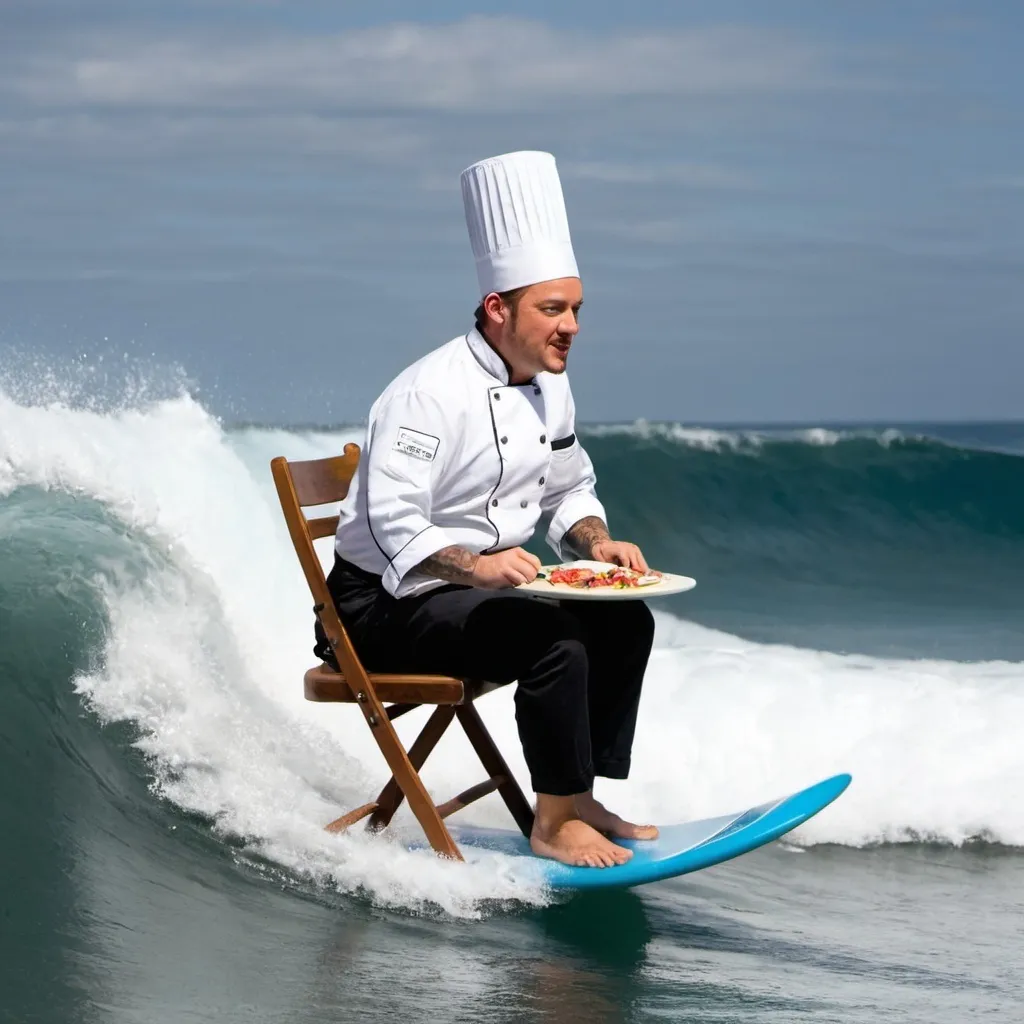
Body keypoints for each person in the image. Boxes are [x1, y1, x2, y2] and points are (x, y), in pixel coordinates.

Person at [322, 151, 658, 868]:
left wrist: (596, 542)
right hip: (384, 607)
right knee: (554, 640)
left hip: (479, 591)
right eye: (551, 310)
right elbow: (393, 522)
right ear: (497, 309)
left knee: (625, 616)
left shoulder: (550, 384)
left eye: (575, 309)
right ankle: (552, 824)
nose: (570, 326)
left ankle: (576, 795)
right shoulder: (428, 393)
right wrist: (476, 565)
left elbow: (569, 487)